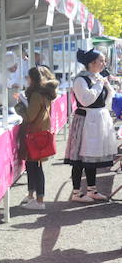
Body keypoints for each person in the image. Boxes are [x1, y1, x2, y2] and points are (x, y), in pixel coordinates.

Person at [63, 49, 117, 202]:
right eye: (101, 60)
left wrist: (106, 85)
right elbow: (86, 100)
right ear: (92, 63)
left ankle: (92, 190)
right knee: (80, 158)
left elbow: (107, 98)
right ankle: (77, 193)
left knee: (91, 157)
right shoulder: (81, 80)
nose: (104, 64)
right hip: (85, 120)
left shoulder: (97, 78)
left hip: (98, 119)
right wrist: (100, 84)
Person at [14, 66, 59, 210]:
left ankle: (39, 201)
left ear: (33, 79)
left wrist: (19, 106)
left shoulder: (36, 95)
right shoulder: (46, 93)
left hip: (34, 135)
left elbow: (29, 117)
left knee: (35, 168)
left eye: (28, 77)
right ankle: (32, 196)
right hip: (39, 134)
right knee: (33, 166)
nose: (27, 80)